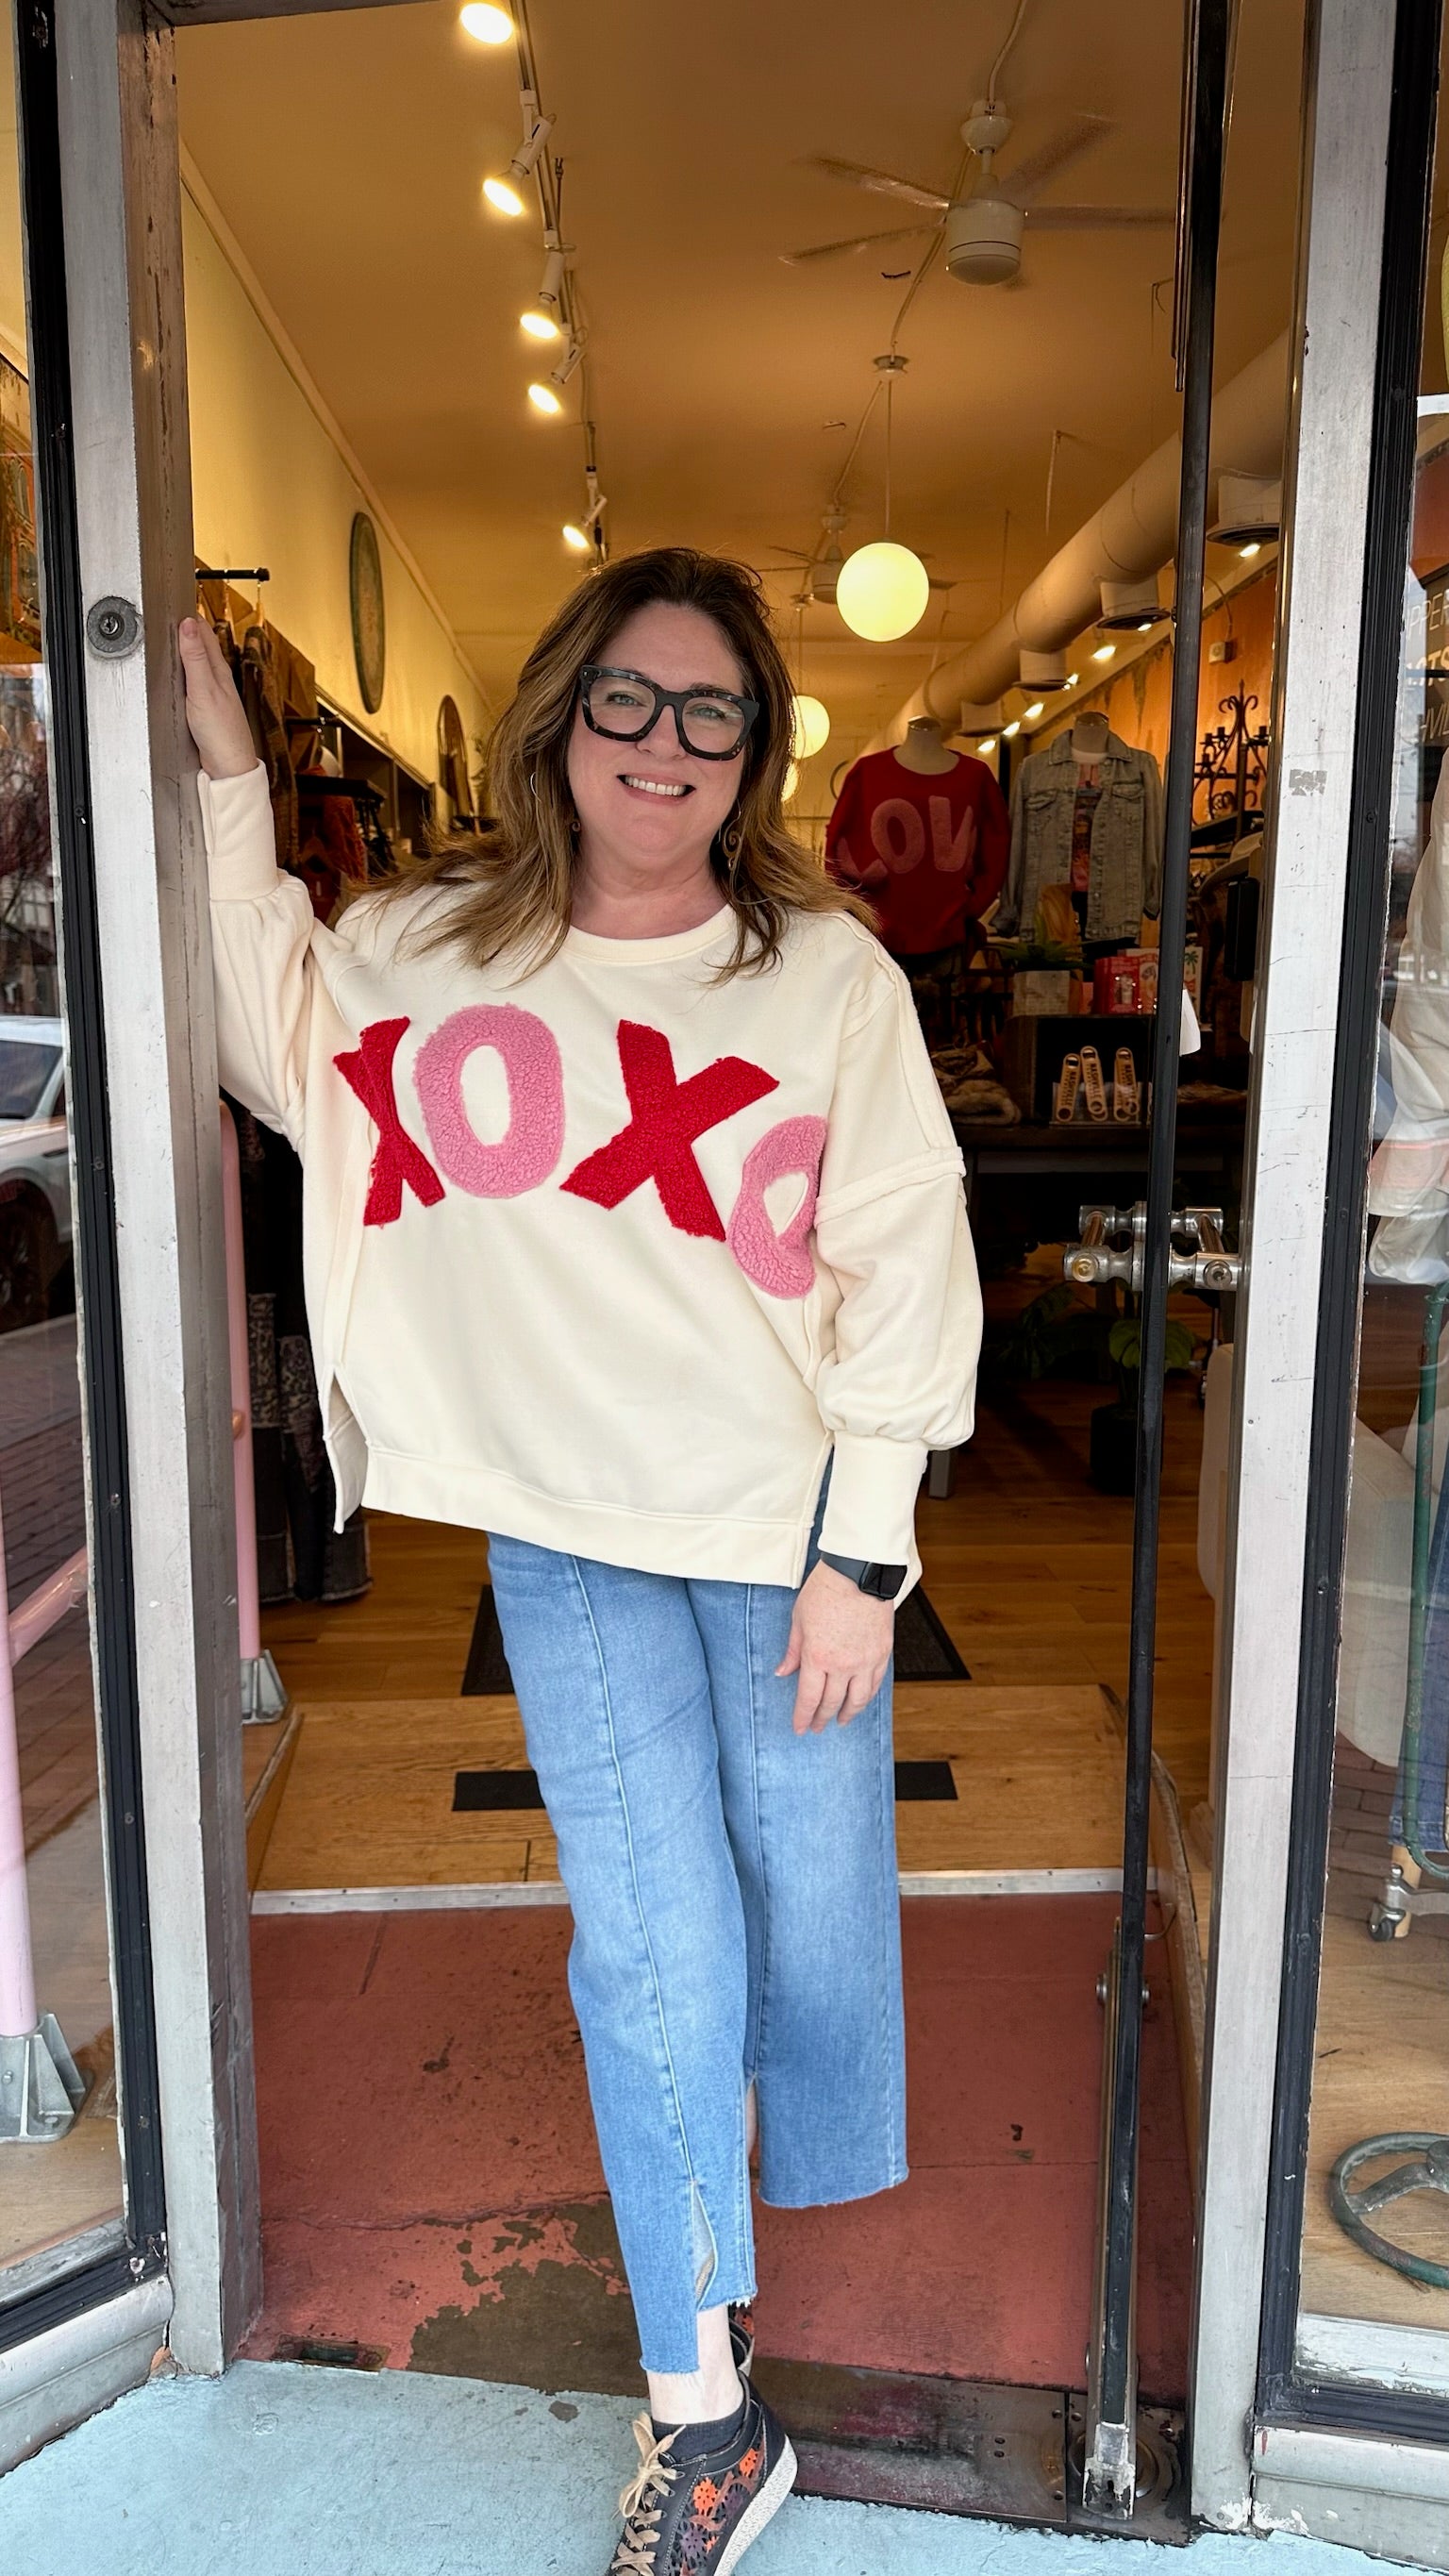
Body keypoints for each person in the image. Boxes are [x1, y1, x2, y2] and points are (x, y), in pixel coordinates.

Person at [181, 545, 981, 2574]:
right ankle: (702, 2404)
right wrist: (224, 784)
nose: (664, 742)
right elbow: (270, 1032)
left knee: (805, 1910)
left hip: (781, 1534)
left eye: (712, 710)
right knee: (644, 1944)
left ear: (754, 750)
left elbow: (907, 1261)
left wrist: (867, 1555)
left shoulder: (827, 977)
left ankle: (739, 2191)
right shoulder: (430, 942)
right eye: (629, 696)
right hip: (562, 1535)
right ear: (561, 716)